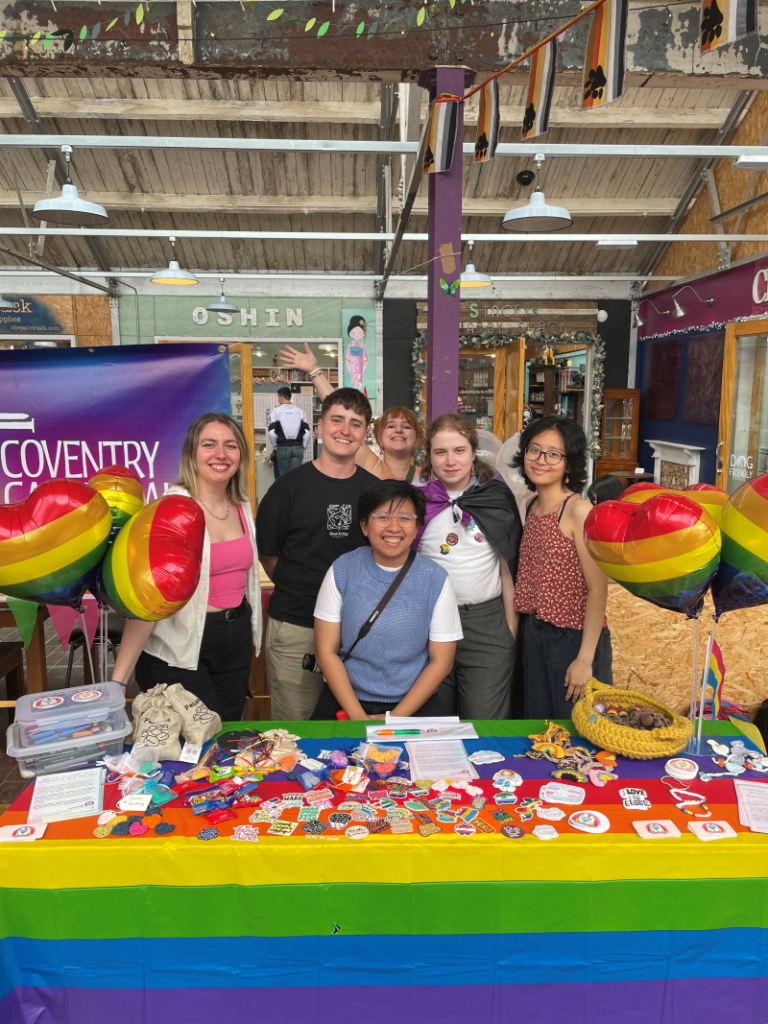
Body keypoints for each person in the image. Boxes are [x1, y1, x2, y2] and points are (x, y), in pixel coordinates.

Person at [110, 413, 261, 722]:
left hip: (235, 638)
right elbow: (149, 599)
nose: (221, 454)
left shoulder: (243, 506)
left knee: (226, 735)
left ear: (241, 455)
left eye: (230, 446)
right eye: (209, 444)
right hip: (179, 650)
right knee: (191, 748)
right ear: (192, 453)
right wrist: (118, 680)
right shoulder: (170, 510)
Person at [256, 388, 378, 720]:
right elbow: (269, 555)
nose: (345, 430)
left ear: (364, 433)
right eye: (336, 420)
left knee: (354, 732)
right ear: (320, 427)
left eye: (355, 424)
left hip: (358, 632)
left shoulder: (374, 492)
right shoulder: (286, 489)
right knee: (298, 733)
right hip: (298, 627)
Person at [311, 480, 462, 720]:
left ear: (416, 527)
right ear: (364, 526)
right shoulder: (342, 569)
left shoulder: (435, 578)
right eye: (382, 517)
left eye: (405, 518)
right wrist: (358, 718)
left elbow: (441, 662)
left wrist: (394, 720)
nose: (394, 527)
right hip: (346, 702)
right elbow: (325, 652)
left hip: (413, 706)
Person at [413, 413, 523, 720]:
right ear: (429, 457)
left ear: (473, 453)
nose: (451, 460)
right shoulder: (415, 500)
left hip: (486, 626)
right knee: (435, 725)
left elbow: (508, 568)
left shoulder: (495, 496)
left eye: (459, 450)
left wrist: (509, 634)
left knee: (484, 724)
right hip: (429, 625)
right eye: (440, 452)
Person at [512, 415, 612, 719]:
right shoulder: (531, 507)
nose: (541, 460)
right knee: (541, 731)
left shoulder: (579, 510)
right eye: (534, 450)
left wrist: (585, 659)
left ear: (569, 463)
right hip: (535, 634)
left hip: (573, 638)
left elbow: (598, 589)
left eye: (554, 454)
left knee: (581, 733)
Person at [278, 341, 421, 482]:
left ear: (417, 439)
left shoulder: (428, 478)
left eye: (406, 426)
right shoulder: (371, 466)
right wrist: (314, 371)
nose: (398, 430)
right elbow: (338, 406)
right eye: (391, 426)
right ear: (380, 437)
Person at [268, 387, 310, 476]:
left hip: (282, 448)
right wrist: (303, 448)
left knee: (283, 478)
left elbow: (272, 433)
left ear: (281, 398)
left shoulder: (276, 412)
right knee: (295, 477)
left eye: (278, 397)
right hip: (298, 447)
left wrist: (275, 448)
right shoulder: (301, 411)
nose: (278, 399)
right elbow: (307, 433)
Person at [345, 315, 368, 390]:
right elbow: (348, 352)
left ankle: (360, 384)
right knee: (354, 372)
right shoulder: (351, 343)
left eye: (359, 333)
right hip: (353, 360)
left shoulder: (361, 344)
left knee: (360, 372)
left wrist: (364, 361)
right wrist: (348, 361)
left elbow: (364, 352)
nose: (357, 335)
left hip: (360, 360)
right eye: (354, 333)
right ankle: (354, 385)